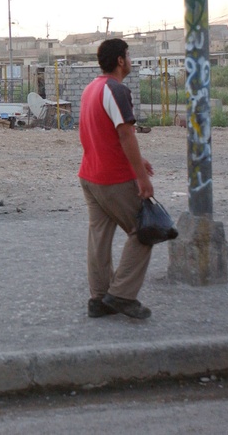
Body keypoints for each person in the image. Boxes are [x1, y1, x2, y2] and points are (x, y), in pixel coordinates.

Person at [78, 38, 155, 319]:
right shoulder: (117, 90)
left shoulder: (91, 89)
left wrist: (138, 161)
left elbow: (100, 132)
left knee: (99, 238)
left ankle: (98, 299)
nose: (131, 60)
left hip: (90, 175)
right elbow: (125, 133)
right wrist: (140, 177)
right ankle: (121, 295)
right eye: (129, 55)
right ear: (121, 60)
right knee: (144, 231)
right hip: (113, 179)